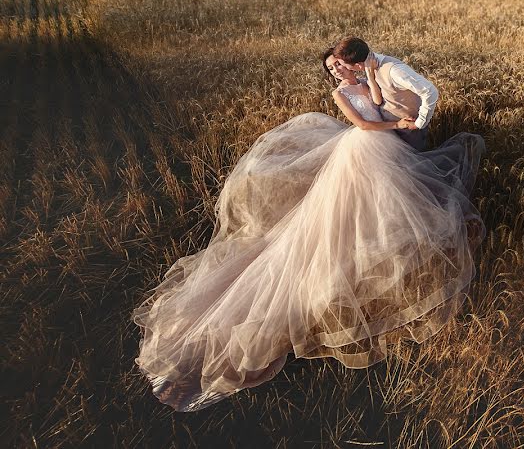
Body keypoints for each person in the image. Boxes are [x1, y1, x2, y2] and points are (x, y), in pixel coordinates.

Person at [131, 47, 485, 412]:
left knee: (371, 204)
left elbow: (383, 97)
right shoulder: (342, 92)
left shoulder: (367, 79)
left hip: (380, 145)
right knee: (356, 207)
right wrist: (398, 125)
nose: (336, 72)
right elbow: (363, 124)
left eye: (339, 65)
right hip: (364, 145)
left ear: (351, 62)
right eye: (331, 69)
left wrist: (384, 92)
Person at [332, 36, 438, 151]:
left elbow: (430, 91)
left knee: (417, 165)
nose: (343, 67)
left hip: (410, 131)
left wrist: (420, 123)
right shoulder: (369, 71)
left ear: (357, 65)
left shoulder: (394, 71)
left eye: (343, 64)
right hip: (389, 133)